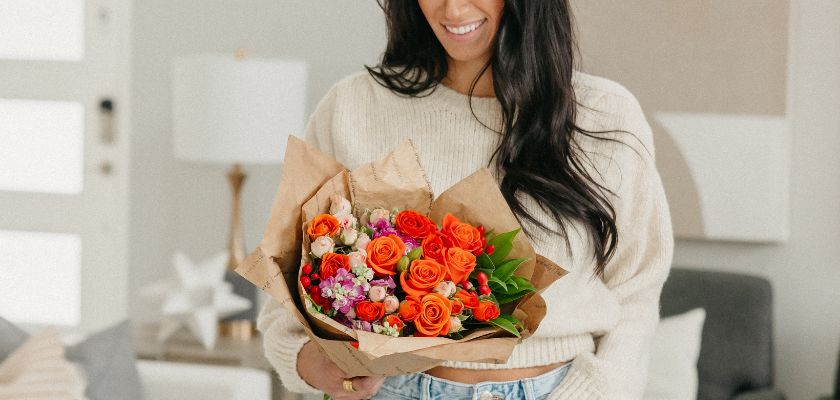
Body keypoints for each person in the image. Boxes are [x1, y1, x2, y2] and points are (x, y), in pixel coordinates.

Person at [258, 0, 673, 399]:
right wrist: (313, 363)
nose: (452, 11)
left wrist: (594, 394)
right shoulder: (351, 107)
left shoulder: (603, 113)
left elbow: (636, 289)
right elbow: (286, 285)